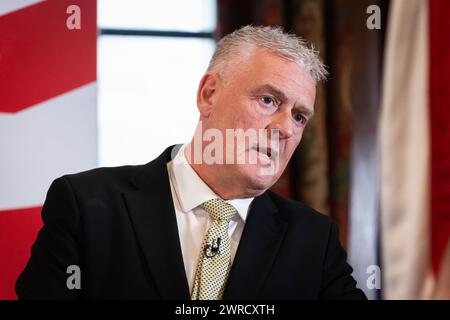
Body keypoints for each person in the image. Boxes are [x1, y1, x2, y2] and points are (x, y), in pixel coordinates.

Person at [16, 25, 366, 300]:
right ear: (208, 94)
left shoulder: (314, 239)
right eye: (268, 99)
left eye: (300, 116)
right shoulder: (86, 205)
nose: (284, 128)